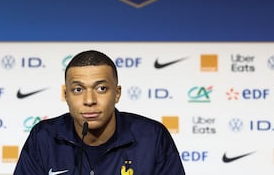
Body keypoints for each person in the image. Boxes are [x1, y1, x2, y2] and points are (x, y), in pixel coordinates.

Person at [13, 50, 185, 175]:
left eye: (101, 88)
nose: (89, 100)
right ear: (66, 95)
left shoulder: (152, 137)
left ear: (117, 94)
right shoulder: (44, 138)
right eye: (78, 89)